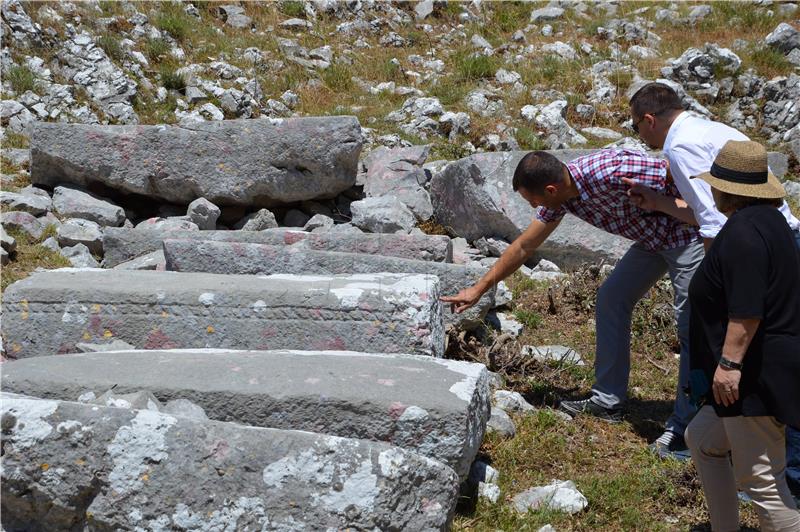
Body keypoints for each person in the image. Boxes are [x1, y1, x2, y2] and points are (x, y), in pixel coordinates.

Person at [441, 149, 703, 460]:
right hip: (652, 241)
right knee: (612, 298)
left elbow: (689, 177)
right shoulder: (562, 195)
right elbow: (525, 245)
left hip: (689, 236)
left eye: (533, 202)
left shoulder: (612, 169)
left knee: (692, 327)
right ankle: (608, 401)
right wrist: (479, 288)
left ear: (550, 190)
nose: (534, 208)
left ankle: (686, 429)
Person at [629, 81, 800, 500]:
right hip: (783, 239)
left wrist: (717, 288)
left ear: (650, 120)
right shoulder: (710, 130)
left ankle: (782, 479)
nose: (640, 136)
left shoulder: (678, 147)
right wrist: (661, 203)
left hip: (751, 256)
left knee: (765, 361)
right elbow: (719, 206)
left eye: (636, 127)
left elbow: (716, 223)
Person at [683, 139, 800, 531]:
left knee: (762, 480)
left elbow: (747, 311)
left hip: (752, 375)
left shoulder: (744, 235)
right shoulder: (770, 222)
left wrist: (729, 365)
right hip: (759, 369)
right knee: (702, 439)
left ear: (726, 189)